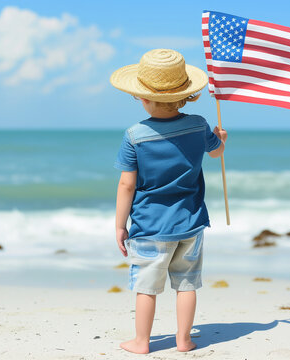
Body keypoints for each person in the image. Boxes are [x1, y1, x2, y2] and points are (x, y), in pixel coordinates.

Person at [110, 49, 227, 354]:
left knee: (146, 287)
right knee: (187, 283)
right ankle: (184, 339)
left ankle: (141, 341)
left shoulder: (135, 135)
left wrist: (120, 225)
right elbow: (216, 153)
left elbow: (127, 184)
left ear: (142, 97)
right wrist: (221, 138)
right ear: (185, 95)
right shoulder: (199, 125)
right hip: (190, 221)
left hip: (149, 225)